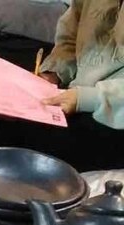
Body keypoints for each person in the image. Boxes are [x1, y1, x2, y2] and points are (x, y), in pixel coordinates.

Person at [41, 0, 124, 129]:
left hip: (113, 117)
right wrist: (56, 71)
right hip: (74, 95)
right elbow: (71, 32)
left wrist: (89, 99)